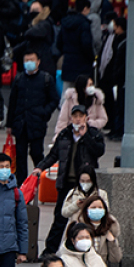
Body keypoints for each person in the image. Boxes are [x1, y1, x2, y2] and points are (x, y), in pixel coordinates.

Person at [34, 105, 106, 255]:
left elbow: (99, 151)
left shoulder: (93, 134)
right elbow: (53, 155)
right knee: (60, 216)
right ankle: (50, 250)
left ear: (86, 118)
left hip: (85, 183)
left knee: (85, 217)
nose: (78, 119)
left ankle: (85, 248)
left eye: (81, 116)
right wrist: (40, 167)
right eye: (75, 116)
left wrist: (85, 136)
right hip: (66, 182)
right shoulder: (65, 134)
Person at [6, 49, 59, 179]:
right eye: (26, 60)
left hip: (37, 123)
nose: (29, 63)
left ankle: (40, 179)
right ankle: (22, 185)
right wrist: (9, 123)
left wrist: (44, 113)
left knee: (36, 153)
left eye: (32, 60)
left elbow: (54, 100)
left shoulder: (46, 79)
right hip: (20, 123)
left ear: (38, 62)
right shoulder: (19, 79)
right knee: (20, 155)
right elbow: (12, 102)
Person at [98, 16, 127, 139]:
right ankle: (114, 128)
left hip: (119, 78)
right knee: (115, 104)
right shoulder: (113, 38)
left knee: (120, 105)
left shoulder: (123, 42)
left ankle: (118, 130)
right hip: (113, 76)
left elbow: (119, 61)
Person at [58, 0, 94, 85]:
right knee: (81, 92)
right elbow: (86, 44)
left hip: (68, 62)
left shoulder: (65, 22)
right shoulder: (84, 24)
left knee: (67, 93)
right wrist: (92, 58)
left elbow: (59, 43)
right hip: (82, 64)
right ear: (85, 9)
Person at [19, 0, 56, 77]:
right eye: (31, 10)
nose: (33, 12)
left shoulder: (44, 24)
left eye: (35, 10)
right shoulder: (34, 24)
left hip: (44, 63)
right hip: (38, 61)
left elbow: (28, 34)